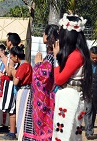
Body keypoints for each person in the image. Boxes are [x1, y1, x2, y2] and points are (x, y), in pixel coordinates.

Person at [52, 13, 92, 141]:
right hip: (72, 97)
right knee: (70, 133)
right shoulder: (78, 54)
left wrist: (56, 58)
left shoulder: (76, 56)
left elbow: (58, 79)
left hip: (70, 98)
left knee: (64, 134)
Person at [24, 24, 59, 141]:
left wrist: (38, 64)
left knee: (42, 130)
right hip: (43, 102)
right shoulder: (52, 57)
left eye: (44, 33)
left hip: (44, 103)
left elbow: (41, 79)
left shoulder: (50, 58)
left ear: (48, 37)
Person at [0, 32, 21, 140]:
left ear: (10, 42)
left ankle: (12, 132)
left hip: (12, 84)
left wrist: (5, 61)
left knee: (12, 108)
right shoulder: (14, 52)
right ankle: (11, 130)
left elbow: (10, 72)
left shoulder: (13, 55)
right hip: (9, 83)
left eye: (7, 40)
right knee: (10, 108)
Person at [8, 45, 32, 140]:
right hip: (25, 90)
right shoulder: (26, 65)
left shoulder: (23, 66)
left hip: (24, 91)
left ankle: (21, 136)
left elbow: (15, 82)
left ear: (16, 57)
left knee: (21, 115)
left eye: (11, 56)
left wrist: (14, 72)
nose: (10, 57)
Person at [84, 46, 97, 140]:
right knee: (88, 110)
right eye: (93, 57)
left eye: (96, 57)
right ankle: (89, 132)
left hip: (96, 92)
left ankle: (90, 128)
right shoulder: (85, 64)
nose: (95, 59)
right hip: (87, 90)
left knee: (93, 111)